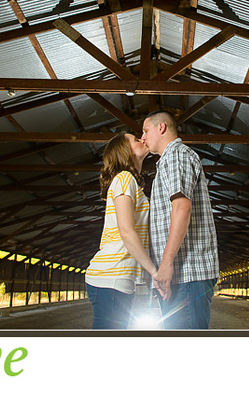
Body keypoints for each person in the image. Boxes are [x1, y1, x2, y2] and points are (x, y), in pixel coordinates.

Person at [141, 109, 219, 329]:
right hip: (183, 275)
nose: (143, 137)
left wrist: (165, 265)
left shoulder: (175, 155)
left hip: (187, 272)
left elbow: (182, 207)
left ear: (161, 127)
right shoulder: (170, 159)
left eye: (146, 130)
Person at [84, 132, 159, 329]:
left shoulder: (130, 182)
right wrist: (153, 271)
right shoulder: (124, 178)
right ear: (125, 151)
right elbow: (126, 231)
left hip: (116, 279)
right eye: (135, 139)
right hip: (110, 276)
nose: (142, 139)